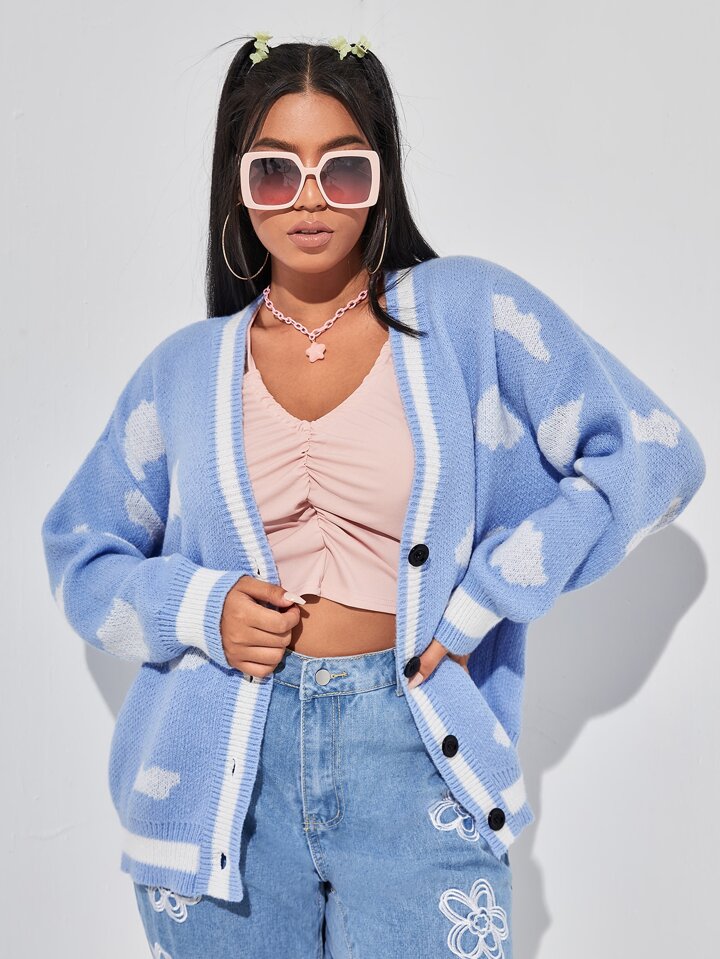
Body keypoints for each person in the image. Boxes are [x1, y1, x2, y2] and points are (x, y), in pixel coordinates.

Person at [40, 32, 706, 959]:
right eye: (276, 171)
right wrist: (200, 608)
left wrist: (484, 598)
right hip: (219, 781)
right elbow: (79, 547)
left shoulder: (466, 312)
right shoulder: (183, 371)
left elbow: (652, 456)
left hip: (416, 754)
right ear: (238, 184)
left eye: (342, 168)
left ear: (380, 176)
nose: (309, 198)